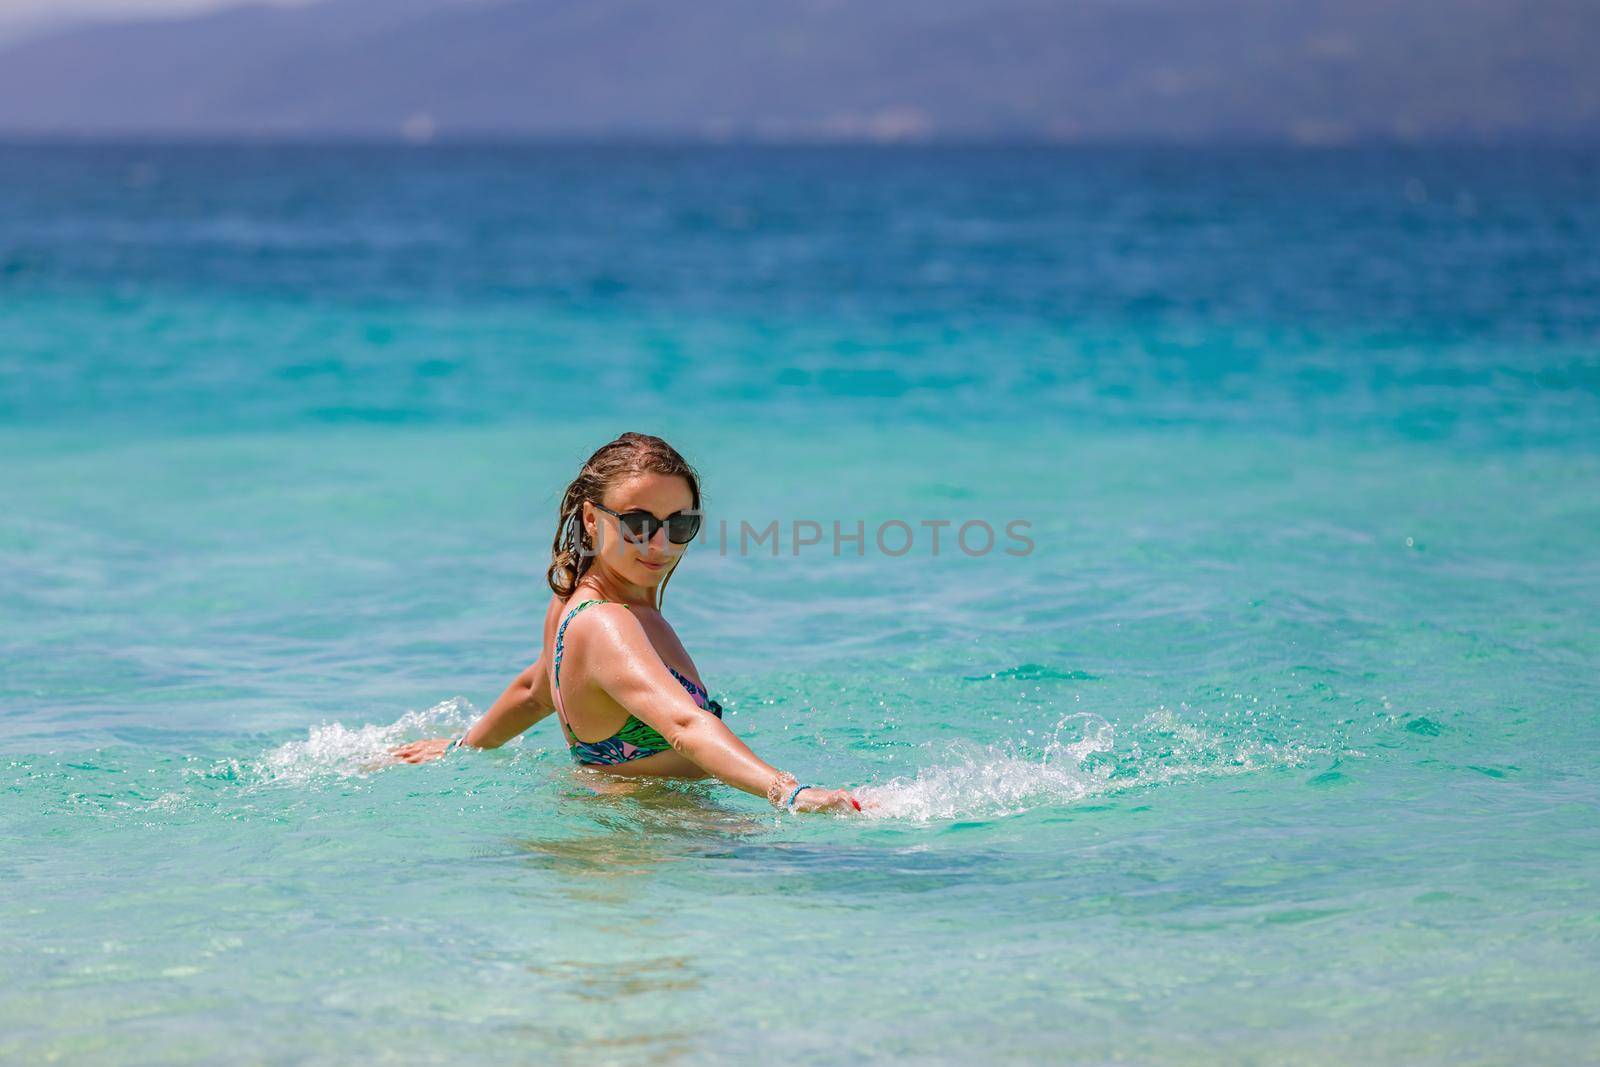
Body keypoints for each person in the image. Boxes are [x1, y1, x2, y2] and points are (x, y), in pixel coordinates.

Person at [389, 432, 862, 814]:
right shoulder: (606, 624)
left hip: (628, 828)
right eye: (638, 523)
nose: (660, 545)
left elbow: (535, 691)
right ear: (592, 519)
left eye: (679, 525)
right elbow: (683, 724)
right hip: (651, 839)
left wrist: (462, 747)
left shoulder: (577, 601)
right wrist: (792, 793)